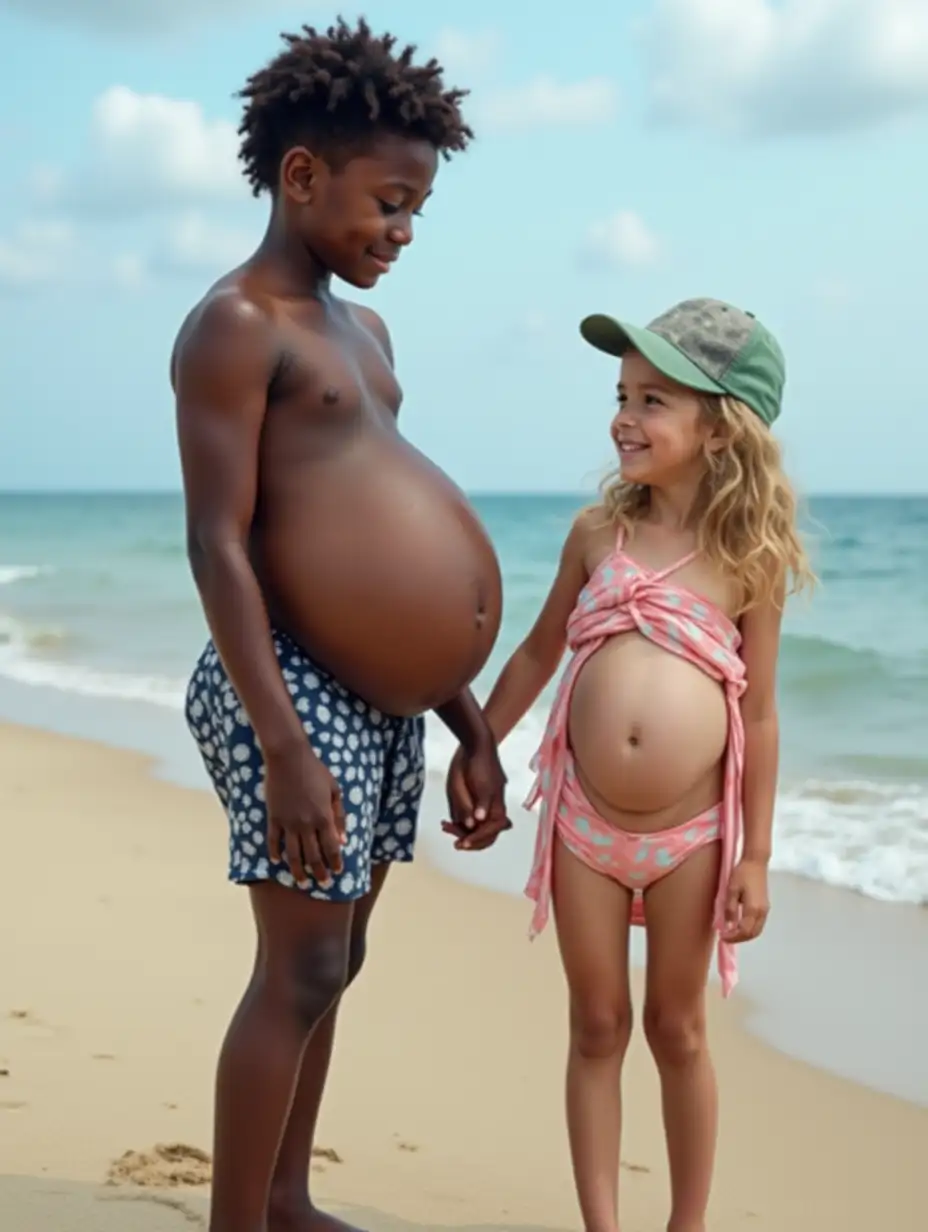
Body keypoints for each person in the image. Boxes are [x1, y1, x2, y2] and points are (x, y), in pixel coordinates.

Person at [171, 19, 510, 1232]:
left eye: (417, 208)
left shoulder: (364, 334)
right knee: (300, 960)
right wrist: (281, 743)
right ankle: (235, 1221)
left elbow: (370, 528)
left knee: (342, 955)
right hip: (287, 687)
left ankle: (284, 1194)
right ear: (302, 176)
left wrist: (467, 717)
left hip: (379, 695)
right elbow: (221, 540)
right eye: (389, 201)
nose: (403, 231)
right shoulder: (236, 324)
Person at [446, 298, 814, 1232]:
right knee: (598, 1024)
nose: (624, 416)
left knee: (677, 1029)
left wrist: (756, 855)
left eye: (654, 399)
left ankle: (686, 1224)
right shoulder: (593, 535)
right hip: (583, 823)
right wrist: (479, 747)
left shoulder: (747, 559)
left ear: (722, 430)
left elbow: (760, 716)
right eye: (621, 394)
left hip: (692, 838)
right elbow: (535, 655)